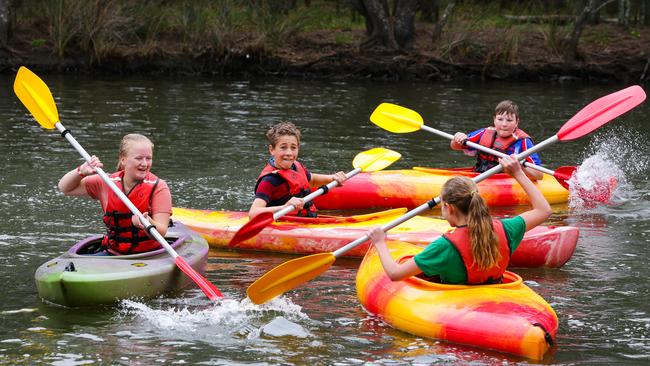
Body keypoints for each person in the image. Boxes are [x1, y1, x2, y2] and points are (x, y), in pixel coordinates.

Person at [366, 155, 552, 284]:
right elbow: (544, 210)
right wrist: (518, 173)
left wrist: (380, 242)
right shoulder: (506, 228)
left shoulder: (443, 247)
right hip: (497, 291)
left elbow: (394, 274)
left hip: (456, 301)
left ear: (449, 207)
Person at [58, 134, 172, 255]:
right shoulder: (106, 182)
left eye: (148, 158)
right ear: (123, 159)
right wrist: (81, 171)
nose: (144, 163)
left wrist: (147, 223)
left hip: (149, 255)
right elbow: (65, 188)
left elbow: (162, 232)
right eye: (139, 158)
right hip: (113, 253)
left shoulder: (159, 187)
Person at [248, 121, 348, 219]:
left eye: (293, 148)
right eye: (283, 147)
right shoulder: (269, 180)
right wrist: (284, 207)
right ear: (272, 150)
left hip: (306, 219)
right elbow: (253, 213)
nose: (289, 153)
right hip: (284, 225)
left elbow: (312, 180)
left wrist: (332, 178)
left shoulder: (296, 166)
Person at [450, 100, 543, 180]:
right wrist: (457, 138)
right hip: (479, 175)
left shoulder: (524, 142)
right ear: (494, 120)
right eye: (500, 119)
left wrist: (518, 167)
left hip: (506, 181)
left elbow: (539, 175)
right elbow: (455, 146)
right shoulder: (484, 133)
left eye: (509, 120)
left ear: (517, 122)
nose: (504, 124)